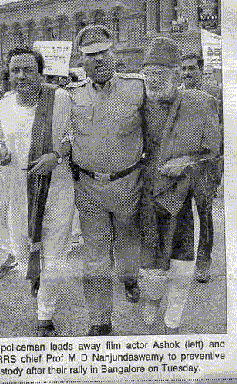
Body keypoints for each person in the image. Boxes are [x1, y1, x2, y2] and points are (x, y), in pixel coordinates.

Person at [0, 46, 76, 337]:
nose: (21, 76)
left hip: (57, 189)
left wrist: (58, 155)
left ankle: (45, 315)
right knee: (23, 251)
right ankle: (36, 276)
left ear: (40, 72)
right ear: (9, 74)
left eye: (28, 69)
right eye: (15, 70)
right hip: (19, 192)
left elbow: (77, 136)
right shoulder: (2, 106)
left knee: (55, 256)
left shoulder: (60, 99)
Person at [67, 24, 145, 336]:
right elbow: (62, 136)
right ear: (81, 61)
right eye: (90, 56)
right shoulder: (71, 96)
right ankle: (100, 322)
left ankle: (129, 278)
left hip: (128, 184)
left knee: (128, 247)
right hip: (89, 188)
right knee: (95, 256)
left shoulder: (138, 88)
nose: (97, 60)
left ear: (113, 53)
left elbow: (154, 135)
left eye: (102, 53)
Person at [139, 37, 221, 333]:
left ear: (176, 73)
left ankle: (172, 321)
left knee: (181, 262)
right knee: (150, 261)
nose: (152, 80)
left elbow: (213, 152)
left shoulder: (201, 104)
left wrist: (186, 162)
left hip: (183, 197)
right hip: (147, 196)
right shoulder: (140, 103)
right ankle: (150, 317)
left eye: (159, 73)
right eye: (148, 74)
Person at [180, 54, 223, 282]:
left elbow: (224, 129)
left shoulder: (215, 94)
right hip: (184, 166)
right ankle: (186, 260)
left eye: (191, 69)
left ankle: (203, 262)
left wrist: (216, 163)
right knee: (183, 214)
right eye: (183, 69)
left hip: (206, 166)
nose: (187, 74)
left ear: (201, 69)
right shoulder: (177, 94)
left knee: (205, 215)